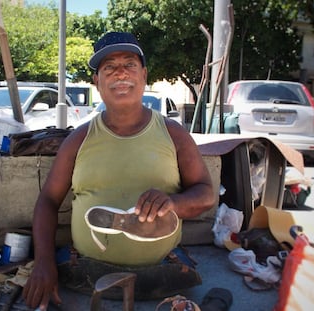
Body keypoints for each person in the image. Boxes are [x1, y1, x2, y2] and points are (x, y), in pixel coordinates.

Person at [23, 31, 217, 310]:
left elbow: (206, 193)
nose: (120, 73)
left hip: (162, 273)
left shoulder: (173, 134)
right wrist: (44, 261)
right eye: (109, 67)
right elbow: (48, 201)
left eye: (129, 64)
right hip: (85, 274)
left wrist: (173, 203)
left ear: (144, 75)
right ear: (97, 81)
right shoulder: (78, 139)